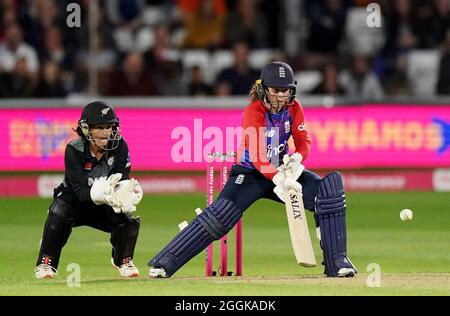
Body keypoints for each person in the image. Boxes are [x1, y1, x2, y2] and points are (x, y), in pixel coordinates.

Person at [148, 61, 357, 278]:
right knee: (219, 217)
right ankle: (165, 263)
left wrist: (296, 159)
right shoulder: (254, 111)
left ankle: (337, 261)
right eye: (276, 90)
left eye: (285, 90)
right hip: (249, 174)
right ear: (264, 89)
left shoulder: (294, 108)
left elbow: (303, 140)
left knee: (328, 191)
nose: (281, 96)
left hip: (282, 170)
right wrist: (278, 179)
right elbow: (258, 157)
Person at [35, 101, 143, 279]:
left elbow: (122, 179)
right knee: (58, 211)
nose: (106, 132)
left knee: (128, 219)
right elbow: (80, 191)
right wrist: (104, 192)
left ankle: (123, 260)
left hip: (105, 204)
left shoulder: (120, 146)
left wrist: (125, 193)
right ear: (86, 129)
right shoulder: (74, 149)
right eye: (99, 127)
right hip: (75, 203)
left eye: (109, 127)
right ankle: (46, 261)